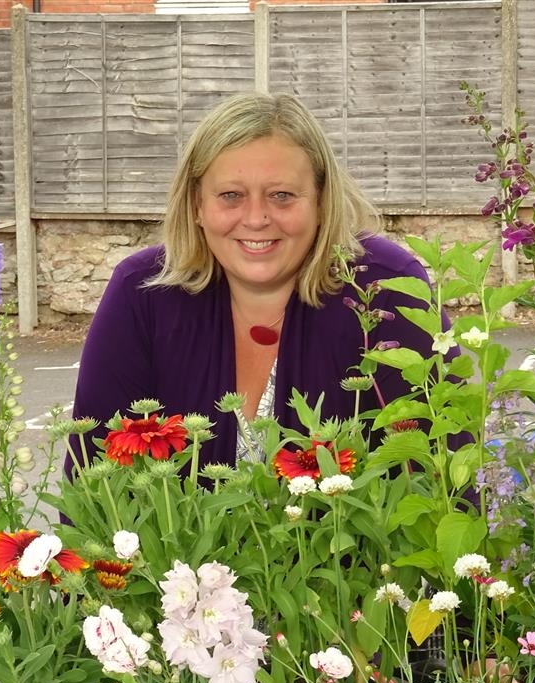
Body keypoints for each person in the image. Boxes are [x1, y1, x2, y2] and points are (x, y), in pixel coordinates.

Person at [67, 92, 450, 473]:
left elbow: (442, 475)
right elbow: (94, 476)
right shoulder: (142, 293)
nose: (255, 218)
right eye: (231, 195)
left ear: (320, 201)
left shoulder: (384, 288)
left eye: (281, 196)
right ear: (197, 204)